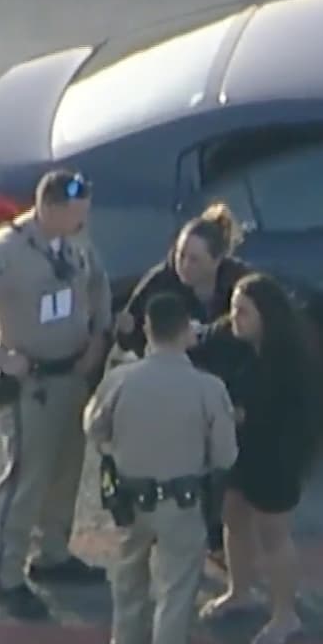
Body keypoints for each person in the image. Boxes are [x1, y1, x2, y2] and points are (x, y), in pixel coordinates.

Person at [0, 169, 113, 620]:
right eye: (76, 213)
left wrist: (99, 334)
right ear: (51, 209)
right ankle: (6, 574)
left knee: (66, 467)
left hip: (72, 374)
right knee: (26, 478)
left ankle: (52, 553)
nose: (83, 221)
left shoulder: (75, 241)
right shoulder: (9, 251)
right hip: (31, 384)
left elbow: (97, 281)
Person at [84, 291, 239, 644]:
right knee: (177, 586)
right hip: (181, 500)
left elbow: (93, 428)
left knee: (129, 578)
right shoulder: (208, 388)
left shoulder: (120, 379)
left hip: (129, 497)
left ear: (146, 330)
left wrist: (117, 449)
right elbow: (225, 455)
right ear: (187, 332)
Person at [113, 202, 253, 567]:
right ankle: (196, 536)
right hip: (178, 384)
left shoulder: (239, 283)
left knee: (223, 465)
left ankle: (221, 537)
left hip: (225, 383)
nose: (183, 266)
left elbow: (254, 338)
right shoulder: (161, 281)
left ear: (217, 259)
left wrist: (211, 337)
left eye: (194, 259)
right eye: (179, 255)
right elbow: (130, 330)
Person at [197, 273, 323, 644]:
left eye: (243, 311)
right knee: (233, 516)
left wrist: (234, 413)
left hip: (276, 455)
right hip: (240, 451)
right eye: (234, 307)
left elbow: (281, 414)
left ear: (266, 316)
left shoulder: (288, 360)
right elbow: (204, 340)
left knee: (274, 535)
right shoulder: (235, 340)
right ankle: (239, 591)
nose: (233, 317)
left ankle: (285, 615)